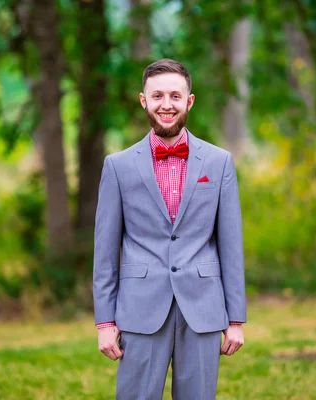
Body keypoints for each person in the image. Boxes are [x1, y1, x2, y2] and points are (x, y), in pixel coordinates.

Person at [93, 58, 247, 400]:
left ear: (189, 101)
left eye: (175, 96)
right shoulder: (117, 167)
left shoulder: (219, 162)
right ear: (143, 100)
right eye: (158, 95)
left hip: (203, 309)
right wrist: (105, 322)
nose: (167, 104)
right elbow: (104, 252)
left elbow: (231, 245)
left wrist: (235, 318)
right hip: (139, 309)